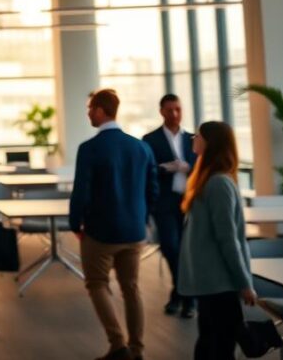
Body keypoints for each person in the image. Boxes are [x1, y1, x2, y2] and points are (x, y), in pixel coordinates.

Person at [69, 89, 158, 360]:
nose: (88, 114)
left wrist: (75, 223)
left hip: (100, 232)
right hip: (134, 232)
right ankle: (137, 349)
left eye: (90, 109)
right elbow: (153, 190)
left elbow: (81, 191)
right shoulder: (141, 147)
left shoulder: (89, 149)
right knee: (131, 287)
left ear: (100, 110)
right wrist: (141, 219)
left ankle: (118, 344)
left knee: (97, 284)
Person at [178, 121, 256, 359]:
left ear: (210, 143)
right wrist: (244, 282)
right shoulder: (212, 180)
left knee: (213, 343)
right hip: (216, 281)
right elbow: (227, 239)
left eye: (198, 136)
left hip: (218, 280)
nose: (193, 139)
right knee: (217, 344)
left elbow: (227, 239)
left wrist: (242, 283)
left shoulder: (217, 183)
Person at [141, 93, 197, 318]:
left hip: (191, 202)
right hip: (164, 202)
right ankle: (186, 294)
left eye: (178, 109)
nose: (174, 114)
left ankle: (181, 295)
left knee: (188, 251)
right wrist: (167, 168)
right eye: (170, 110)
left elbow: (202, 167)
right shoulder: (150, 139)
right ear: (161, 112)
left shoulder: (193, 139)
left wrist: (187, 168)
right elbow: (146, 171)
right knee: (171, 247)